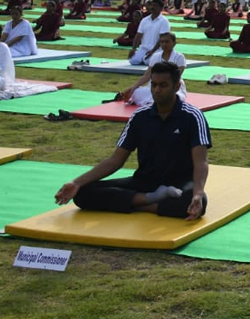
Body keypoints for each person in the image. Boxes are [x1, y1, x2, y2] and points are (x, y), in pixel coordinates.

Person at [54, 60, 210, 220]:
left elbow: (200, 162)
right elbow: (115, 160)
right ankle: (151, 200)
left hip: (178, 184)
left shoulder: (192, 116)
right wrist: (76, 182)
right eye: (154, 85)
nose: (157, 90)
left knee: (198, 202)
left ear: (176, 87)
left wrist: (197, 193)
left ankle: (139, 204)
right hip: (144, 182)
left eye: (163, 85)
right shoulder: (140, 116)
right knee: (82, 193)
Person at [120, 32, 188, 106]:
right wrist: (133, 88)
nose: (164, 44)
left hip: (171, 87)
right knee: (136, 93)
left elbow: (176, 77)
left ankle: (153, 103)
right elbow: (147, 76)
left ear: (174, 43)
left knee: (177, 97)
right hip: (155, 87)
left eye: (167, 42)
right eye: (162, 42)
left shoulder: (179, 57)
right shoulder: (155, 56)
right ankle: (153, 102)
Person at [130, 0, 171, 66]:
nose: (152, 7)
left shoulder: (164, 21)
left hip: (157, 50)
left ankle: (162, 58)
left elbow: (162, 39)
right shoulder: (145, 20)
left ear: (161, 8)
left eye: (155, 6)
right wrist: (133, 49)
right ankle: (143, 58)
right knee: (133, 60)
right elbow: (138, 35)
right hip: (143, 49)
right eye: (152, 5)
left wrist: (152, 51)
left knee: (148, 61)